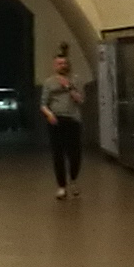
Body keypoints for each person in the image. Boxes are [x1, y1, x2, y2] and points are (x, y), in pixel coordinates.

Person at [40, 49, 88, 198]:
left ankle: (73, 179)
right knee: (58, 154)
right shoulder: (49, 83)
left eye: (64, 63)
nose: (62, 66)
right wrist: (49, 115)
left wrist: (68, 87)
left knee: (75, 154)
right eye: (59, 63)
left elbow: (80, 100)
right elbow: (43, 104)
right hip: (56, 120)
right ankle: (61, 186)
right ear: (54, 65)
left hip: (73, 120)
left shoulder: (75, 80)